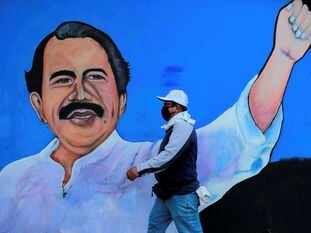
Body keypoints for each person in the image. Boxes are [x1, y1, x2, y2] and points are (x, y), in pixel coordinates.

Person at [0, 1, 309, 232]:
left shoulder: (160, 164)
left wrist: (282, 58)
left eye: (95, 77)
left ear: (121, 101)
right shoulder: (10, 184)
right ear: (39, 104)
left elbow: (242, 135)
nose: (80, 92)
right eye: (63, 79)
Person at [127, 89, 203, 232]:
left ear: (177, 108)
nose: (164, 108)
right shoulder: (174, 126)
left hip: (181, 195)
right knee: (155, 227)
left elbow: (168, 156)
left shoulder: (183, 127)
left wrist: (140, 169)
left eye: (168, 105)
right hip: (166, 193)